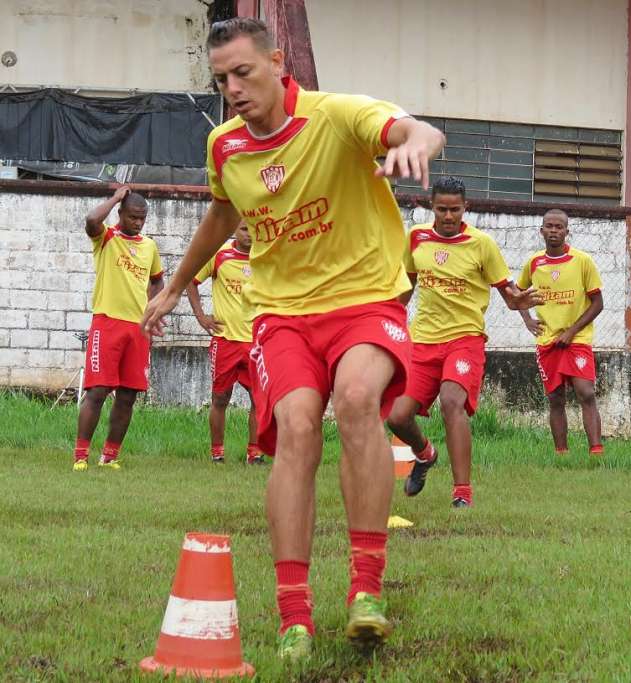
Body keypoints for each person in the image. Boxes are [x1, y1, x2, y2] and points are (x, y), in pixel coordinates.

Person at [141, 17, 445, 658]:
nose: (233, 89)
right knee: (299, 426)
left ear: (278, 63)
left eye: (243, 73)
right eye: (221, 79)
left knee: (361, 398)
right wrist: (174, 286)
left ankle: (365, 590)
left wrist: (416, 142)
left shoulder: (337, 116)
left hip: (363, 300)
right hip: (279, 313)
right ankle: (294, 618)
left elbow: (415, 128)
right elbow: (224, 211)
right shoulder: (225, 146)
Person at [386, 176, 539, 508]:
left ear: (465, 208)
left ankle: (462, 493)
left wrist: (519, 302)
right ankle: (425, 454)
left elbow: (508, 293)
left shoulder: (481, 244)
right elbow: (405, 287)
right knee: (397, 417)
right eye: (442, 209)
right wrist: (385, 322)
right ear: (432, 208)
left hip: (464, 338)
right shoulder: (416, 238)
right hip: (423, 340)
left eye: (455, 209)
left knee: (452, 401)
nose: (449, 216)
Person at [73, 186, 163, 471]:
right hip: (107, 322)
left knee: (128, 395)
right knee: (97, 391)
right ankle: (81, 456)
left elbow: (157, 280)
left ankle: (110, 456)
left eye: (142, 218)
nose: (138, 223)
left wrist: (153, 309)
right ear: (121, 214)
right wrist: (114, 198)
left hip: (138, 329)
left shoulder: (149, 246)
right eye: (133, 217)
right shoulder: (107, 237)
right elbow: (90, 220)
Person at [517, 209, 605, 456]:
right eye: (549, 226)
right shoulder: (535, 262)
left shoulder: (582, 261)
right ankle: (561, 453)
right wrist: (527, 319)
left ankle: (596, 451)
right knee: (555, 398)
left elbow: (598, 303)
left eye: (559, 227)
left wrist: (571, 331)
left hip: (577, 340)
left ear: (567, 231)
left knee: (585, 392)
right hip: (548, 342)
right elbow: (517, 295)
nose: (554, 231)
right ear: (541, 230)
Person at [185, 221, 266, 464]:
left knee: (258, 399)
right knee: (220, 397)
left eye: (253, 229)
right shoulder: (220, 256)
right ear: (233, 230)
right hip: (225, 341)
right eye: (243, 229)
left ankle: (255, 453)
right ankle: (217, 453)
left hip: (256, 343)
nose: (249, 234)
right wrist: (201, 316)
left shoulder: (266, 258)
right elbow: (190, 280)